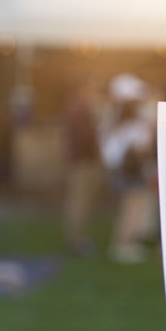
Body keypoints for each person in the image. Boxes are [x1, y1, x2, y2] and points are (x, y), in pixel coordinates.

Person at [100, 73, 156, 264]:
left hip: (124, 168)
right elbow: (141, 147)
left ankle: (128, 243)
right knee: (132, 206)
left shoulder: (115, 117)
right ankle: (123, 245)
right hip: (129, 169)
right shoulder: (129, 120)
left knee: (134, 206)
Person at [61, 78, 105, 255]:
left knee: (80, 201)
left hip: (81, 160)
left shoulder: (77, 106)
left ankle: (78, 237)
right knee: (78, 201)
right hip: (82, 161)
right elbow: (84, 137)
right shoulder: (79, 108)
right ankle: (76, 240)